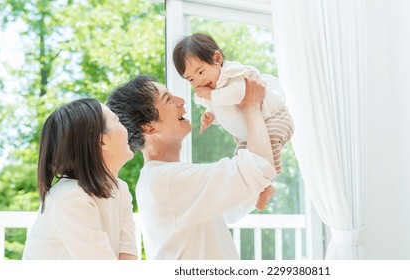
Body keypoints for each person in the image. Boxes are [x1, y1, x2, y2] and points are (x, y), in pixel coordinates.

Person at [106, 75, 276, 260]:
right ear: (148, 127)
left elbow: (230, 206)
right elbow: (260, 166)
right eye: (168, 99)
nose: (181, 101)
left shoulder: (166, 178)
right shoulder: (165, 180)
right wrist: (251, 106)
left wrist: (255, 186)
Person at [172, 32, 295, 210]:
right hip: (249, 133)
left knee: (269, 142)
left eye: (200, 71)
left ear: (217, 58)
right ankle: (255, 193)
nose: (198, 80)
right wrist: (211, 115)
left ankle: (267, 185)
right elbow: (223, 107)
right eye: (191, 79)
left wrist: (212, 96)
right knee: (242, 160)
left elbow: (240, 92)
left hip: (274, 118)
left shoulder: (232, 74)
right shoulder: (213, 88)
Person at [22, 98, 137, 260]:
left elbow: (128, 260)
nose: (126, 129)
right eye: (118, 121)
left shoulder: (120, 190)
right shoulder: (70, 197)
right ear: (102, 141)